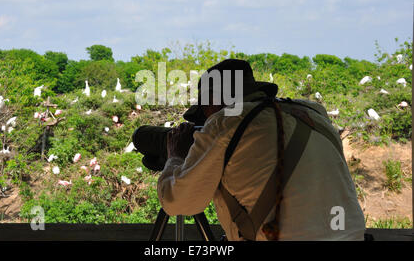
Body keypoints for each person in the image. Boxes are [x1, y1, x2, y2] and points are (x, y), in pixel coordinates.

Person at [157, 59, 366, 241]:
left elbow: (179, 204)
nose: (206, 116)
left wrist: (175, 156)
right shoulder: (314, 113)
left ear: (212, 102)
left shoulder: (225, 122)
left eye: (205, 110)